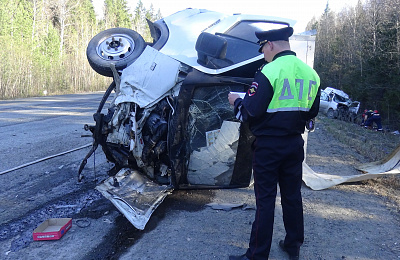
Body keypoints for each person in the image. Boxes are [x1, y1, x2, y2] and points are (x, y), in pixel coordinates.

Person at [228, 26, 320, 260]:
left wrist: (236, 101)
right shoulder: (311, 74)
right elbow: (312, 112)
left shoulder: (270, 71)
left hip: (268, 146)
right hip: (294, 145)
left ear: (270, 45)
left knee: (266, 200)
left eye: (263, 49)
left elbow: (250, 112)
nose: (263, 54)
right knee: (292, 196)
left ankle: (257, 255)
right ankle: (293, 245)